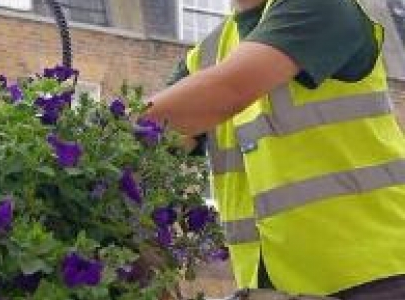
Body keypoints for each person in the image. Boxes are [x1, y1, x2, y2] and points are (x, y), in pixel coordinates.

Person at [143, 0, 405, 299]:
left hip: (377, 278)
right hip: (269, 288)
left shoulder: (321, 8)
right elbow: (151, 143)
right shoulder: (206, 56)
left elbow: (228, 90)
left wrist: (96, 138)